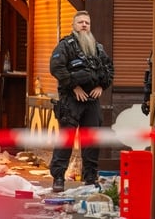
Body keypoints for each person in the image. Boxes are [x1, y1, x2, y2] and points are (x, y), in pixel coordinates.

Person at [49, 10, 114, 192]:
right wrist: (73, 86)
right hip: (71, 99)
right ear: (74, 25)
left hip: (92, 100)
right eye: (80, 22)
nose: (84, 25)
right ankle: (58, 178)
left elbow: (109, 69)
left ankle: (90, 178)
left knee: (91, 140)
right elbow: (56, 67)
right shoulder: (65, 46)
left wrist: (101, 86)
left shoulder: (97, 48)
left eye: (87, 22)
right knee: (66, 140)